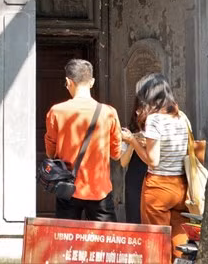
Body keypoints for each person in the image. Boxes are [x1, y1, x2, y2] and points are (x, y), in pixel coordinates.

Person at [121, 73, 190, 259]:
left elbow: (153, 160)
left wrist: (133, 142)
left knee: (156, 240)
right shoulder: (181, 118)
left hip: (159, 186)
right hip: (182, 186)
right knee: (180, 238)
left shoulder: (154, 120)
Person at [44, 59, 122, 221]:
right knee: (105, 242)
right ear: (92, 82)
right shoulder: (108, 112)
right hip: (99, 189)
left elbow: (50, 152)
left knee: (66, 240)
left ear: (68, 82)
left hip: (67, 188)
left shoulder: (56, 112)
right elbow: (116, 154)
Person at [121, 92, 149, 224]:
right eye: (139, 109)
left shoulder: (157, 129)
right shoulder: (129, 131)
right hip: (134, 180)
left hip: (152, 179)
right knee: (134, 218)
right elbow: (123, 162)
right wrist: (133, 143)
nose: (140, 113)